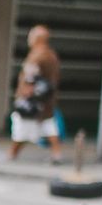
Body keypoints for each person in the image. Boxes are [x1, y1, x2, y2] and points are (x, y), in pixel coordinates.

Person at [8, 24, 62, 164]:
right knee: (49, 126)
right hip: (47, 99)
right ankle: (56, 154)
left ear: (38, 39)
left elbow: (29, 76)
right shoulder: (51, 55)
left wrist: (25, 93)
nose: (29, 39)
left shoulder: (36, 55)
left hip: (33, 99)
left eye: (31, 36)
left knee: (21, 127)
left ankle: (11, 154)